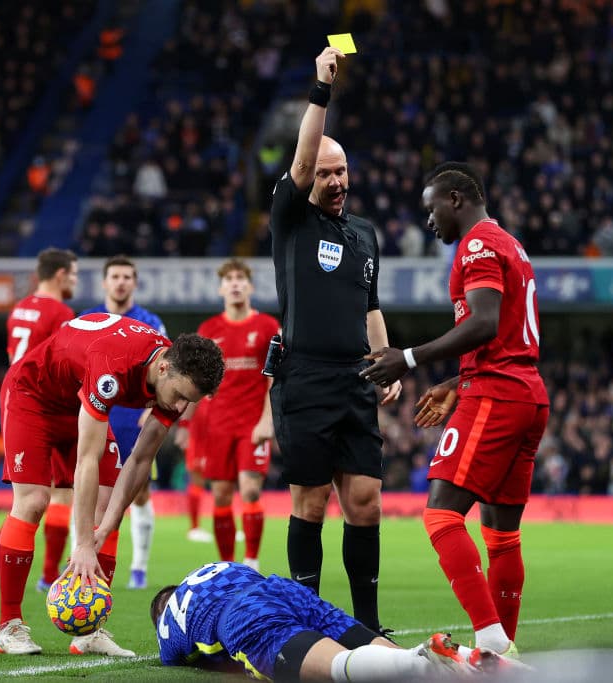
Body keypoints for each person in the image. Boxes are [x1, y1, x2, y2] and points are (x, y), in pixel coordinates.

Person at [361, 162, 550, 656]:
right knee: (502, 534)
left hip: (497, 395)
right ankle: (499, 652)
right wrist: (455, 381)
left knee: (442, 517)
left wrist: (407, 358)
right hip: (526, 393)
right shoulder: (511, 244)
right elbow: (506, 334)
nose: (429, 221)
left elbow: (485, 324)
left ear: (456, 200)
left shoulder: (479, 245)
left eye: (431, 209)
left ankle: (489, 637)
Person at [0, 313, 223, 656]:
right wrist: (84, 542)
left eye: (188, 401)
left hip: (77, 400)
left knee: (107, 504)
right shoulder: (112, 369)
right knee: (34, 501)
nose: (179, 407)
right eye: (178, 395)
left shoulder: (174, 380)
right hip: (32, 396)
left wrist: (107, 526)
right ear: (163, 369)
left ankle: (89, 631)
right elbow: (87, 459)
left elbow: (141, 460)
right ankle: (8, 626)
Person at [267, 46, 401, 633]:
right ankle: (308, 623)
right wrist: (321, 90)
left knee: (366, 501)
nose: (336, 180)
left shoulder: (366, 234)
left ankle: (366, 625)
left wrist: (387, 362)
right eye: (325, 173)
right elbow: (300, 162)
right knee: (311, 503)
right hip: (305, 377)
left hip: (354, 380)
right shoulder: (291, 218)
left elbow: (369, 303)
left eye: (341, 170)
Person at [150, 561, 516, 681]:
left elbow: (186, 658)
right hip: (281, 589)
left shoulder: (169, 618)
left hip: (241, 614)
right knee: (383, 655)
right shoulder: (214, 568)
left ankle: (422, 661)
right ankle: (465, 658)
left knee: (337, 669)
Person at [0, 247, 78, 591]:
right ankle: (49, 576)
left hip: (14, 399)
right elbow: (64, 360)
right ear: (60, 275)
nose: (76, 280)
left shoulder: (19, 309)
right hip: (44, 401)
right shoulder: (60, 312)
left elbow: (13, 356)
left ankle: (2, 539)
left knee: (27, 494)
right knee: (61, 493)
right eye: (75, 273)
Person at [80, 255, 166, 589]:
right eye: (115, 276)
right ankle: (86, 557)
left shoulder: (150, 322)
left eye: (127, 276)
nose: (121, 282)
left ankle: (139, 568)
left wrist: (153, 409)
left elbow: (166, 371)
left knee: (139, 492)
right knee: (93, 495)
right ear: (104, 282)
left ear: (134, 282)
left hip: (136, 420)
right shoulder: (89, 320)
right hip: (97, 419)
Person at [192, 258, 280, 569]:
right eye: (229, 279)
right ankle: (228, 566)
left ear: (250, 286)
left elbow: (275, 378)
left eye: (241, 278)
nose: (235, 283)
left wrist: (268, 420)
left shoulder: (268, 327)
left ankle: (252, 561)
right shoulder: (209, 330)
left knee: (251, 488)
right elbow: (198, 380)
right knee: (220, 496)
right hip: (218, 425)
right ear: (220, 288)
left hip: (252, 424)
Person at [174, 395, 212, 543]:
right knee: (197, 480)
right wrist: (184, 427)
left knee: (222, 479)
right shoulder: (201, 384)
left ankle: (227, 524)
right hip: (198, 436)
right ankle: (194, 527)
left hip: (214, 433)